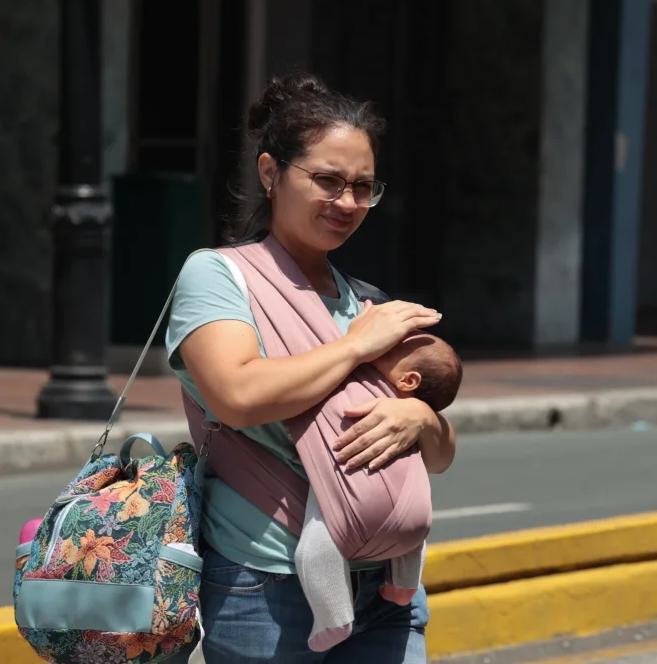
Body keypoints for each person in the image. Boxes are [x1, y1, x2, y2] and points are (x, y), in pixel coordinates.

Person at [165, 72, 457, 663]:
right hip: (264, 588)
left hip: (387, 590)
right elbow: (238, 395)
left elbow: (441, 456)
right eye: (327, 180)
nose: (347, 203)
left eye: (363, 187)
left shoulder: (362, 297)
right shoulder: (219, 277)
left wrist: (422, 421)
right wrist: (353, 346)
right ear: (271, 173)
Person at [296, 331, 462, 651]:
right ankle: (403, 585)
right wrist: (424, 415)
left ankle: (334, 616)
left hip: (349, 488)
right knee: (411, 539)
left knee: (316, 547)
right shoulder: (404, 410)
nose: (385, 345)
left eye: (395, 348)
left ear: (409, 379)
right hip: (410, 506)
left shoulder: (364, 387)